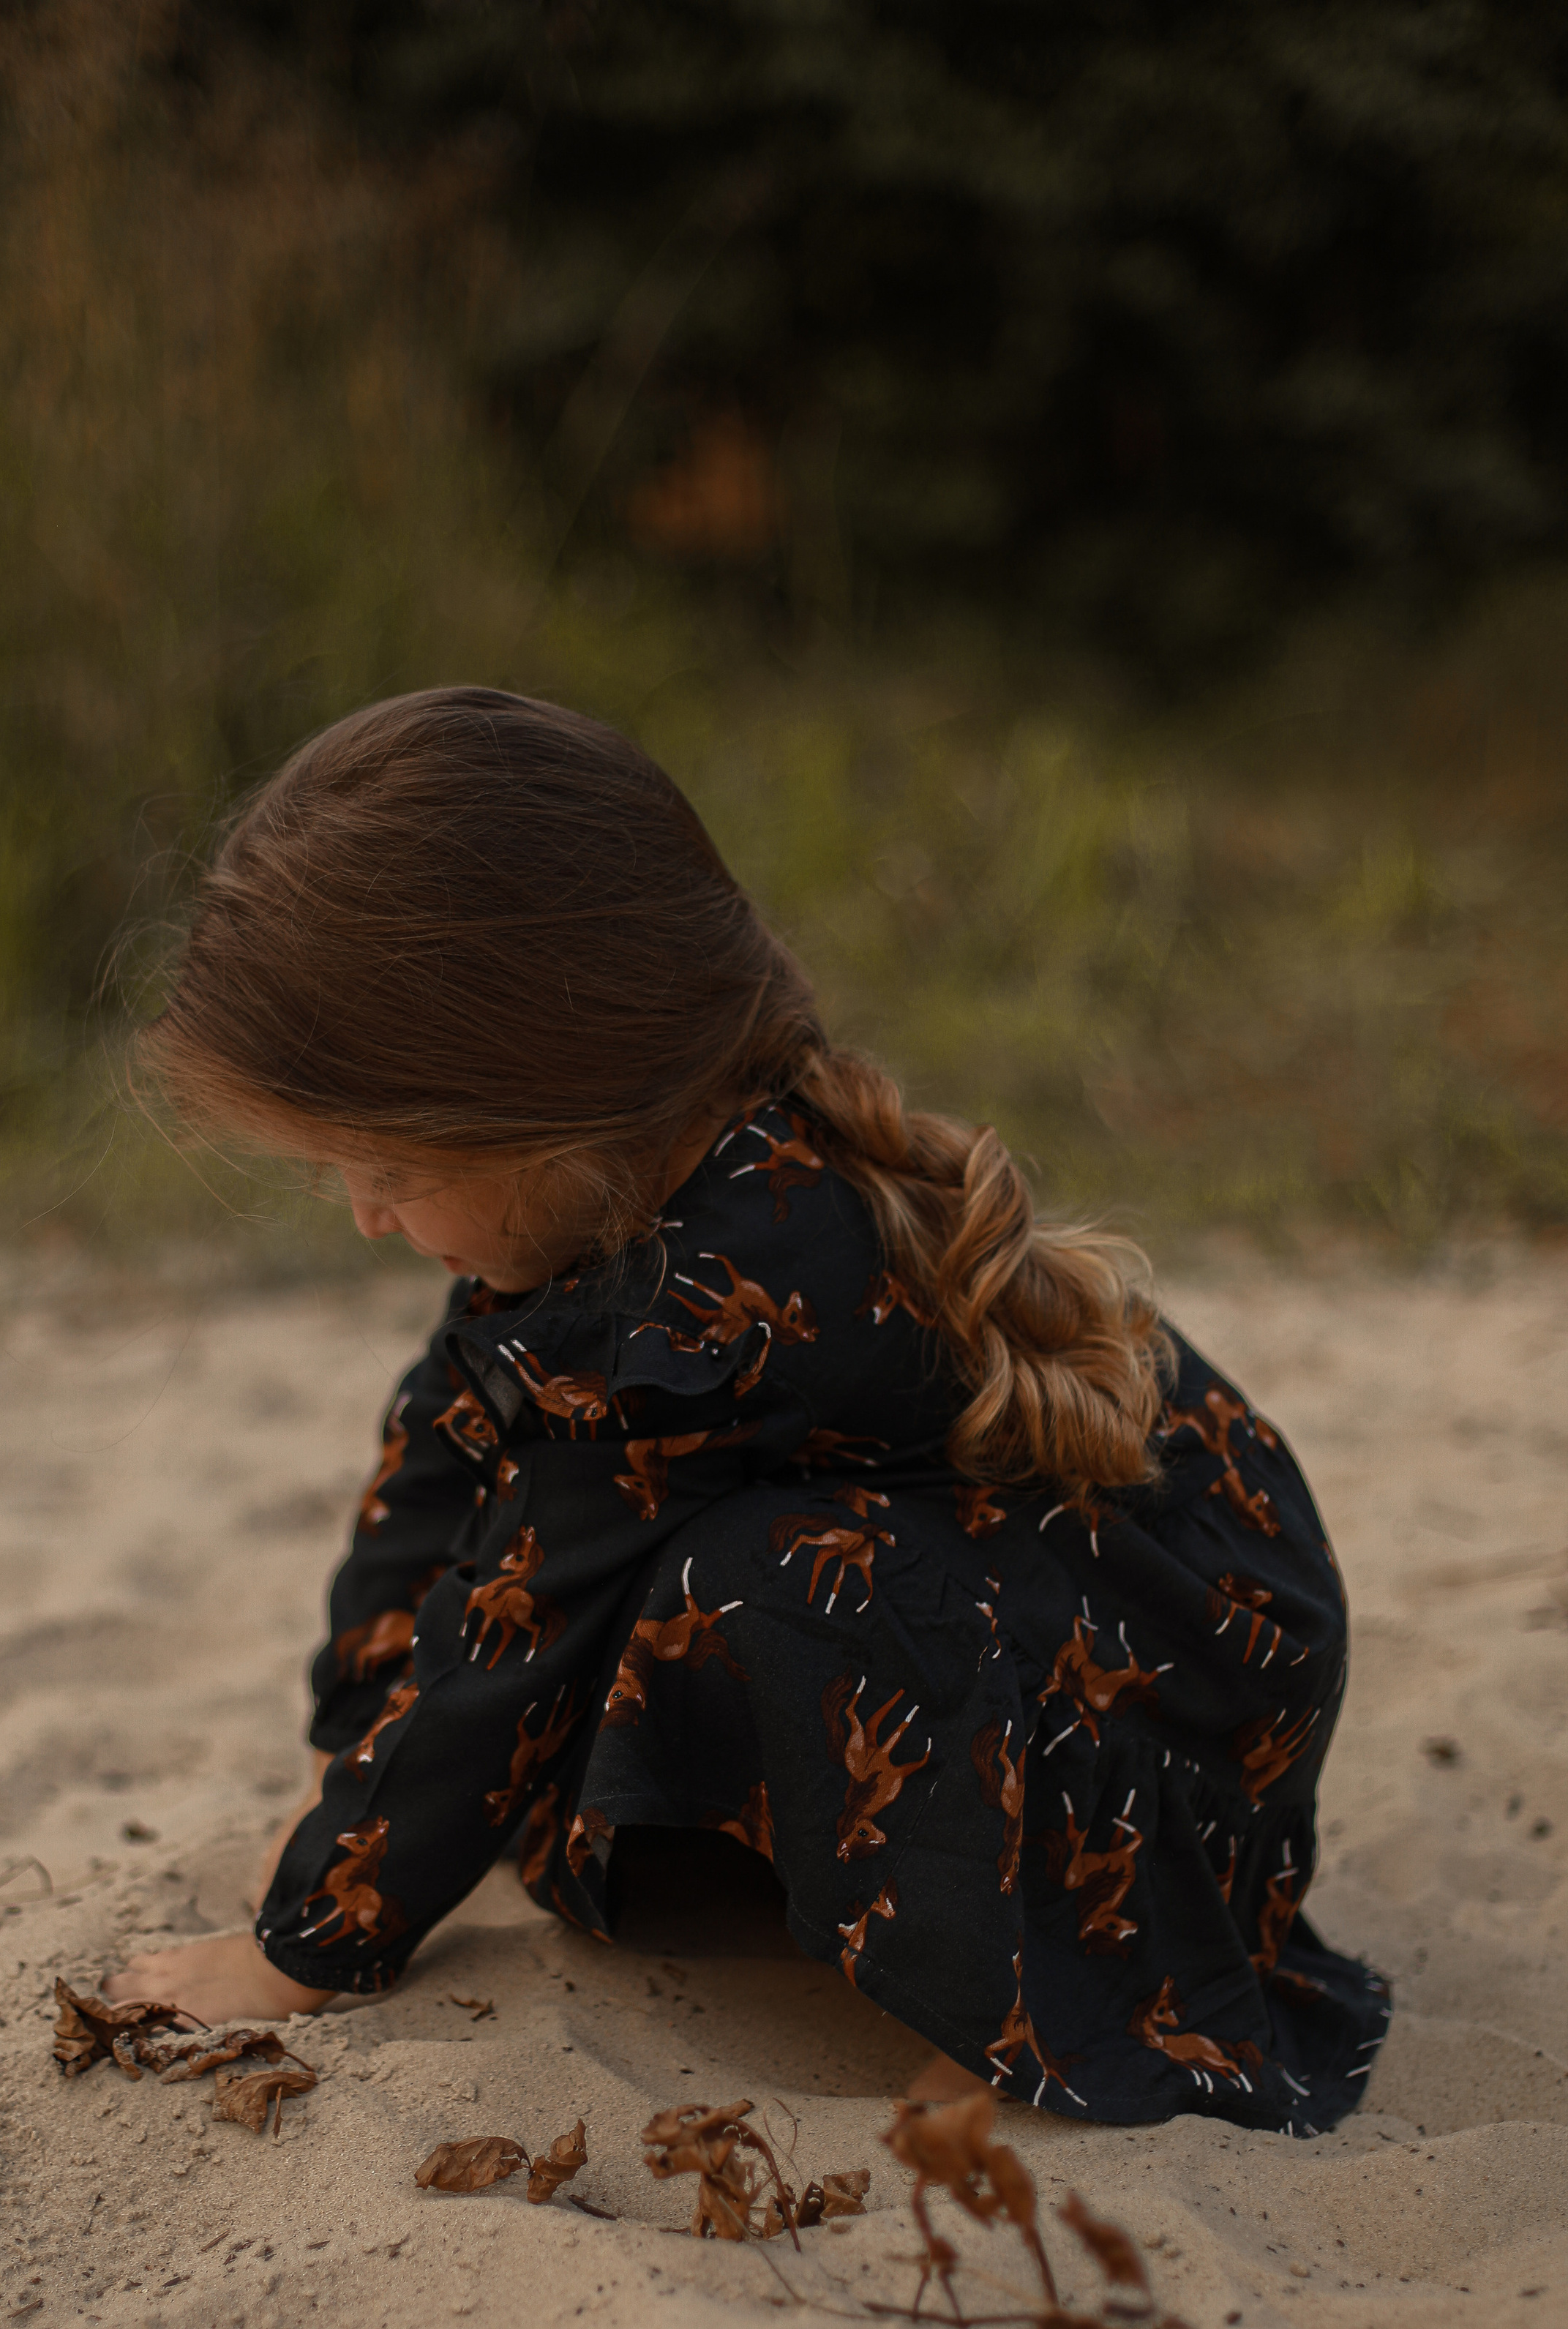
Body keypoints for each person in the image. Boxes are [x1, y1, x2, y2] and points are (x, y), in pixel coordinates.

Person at [105, 686, 1387, 2131]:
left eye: (391, 1171)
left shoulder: (714, 1300)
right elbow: (441, 1460)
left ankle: (1046, 1988)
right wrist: (347, 1754)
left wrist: (300, 1946)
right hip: (1061, 1619)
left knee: (758, 1579)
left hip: (1175, 1708)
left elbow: (507, 1650)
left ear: (547, 1107)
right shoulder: (633, 1181)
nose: (363, 1215)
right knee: (663, 1574)